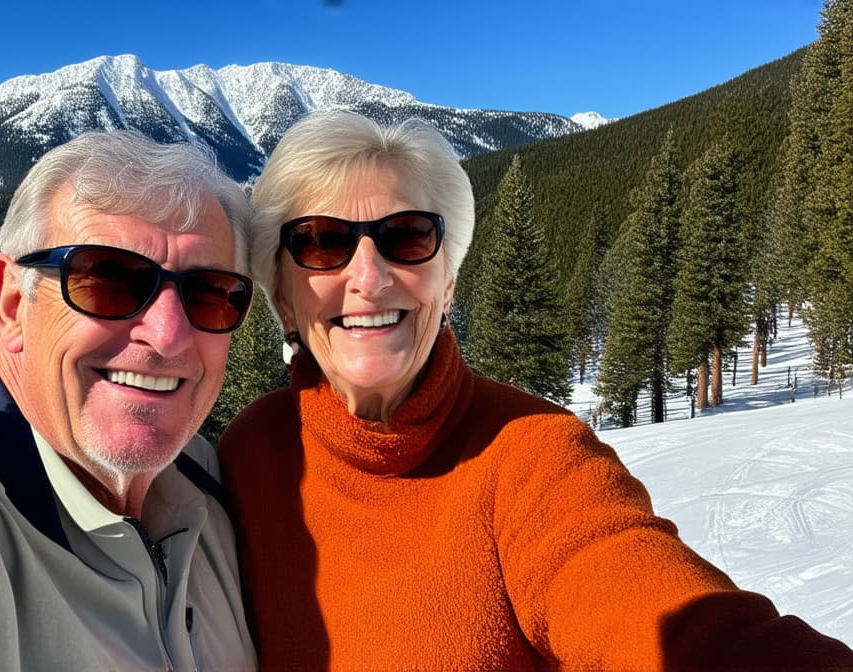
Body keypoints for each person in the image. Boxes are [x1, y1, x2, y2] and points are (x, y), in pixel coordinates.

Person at [217, 110, 853, 670]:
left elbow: (665, 615)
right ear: (283, 297)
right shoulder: (251, 454)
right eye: (322, 243)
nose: (371, 276)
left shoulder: (536, 457)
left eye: (407, 236)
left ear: (448, 283)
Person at [0, 130, 258, 670]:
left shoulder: (212, 483)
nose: (169, 335)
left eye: (210, 293)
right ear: (12, 304)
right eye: (108, 279)